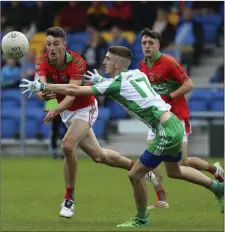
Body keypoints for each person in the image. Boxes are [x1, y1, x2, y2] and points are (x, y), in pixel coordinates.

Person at [20, 46, 224, 227]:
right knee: (175, 171)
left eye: (107, 59)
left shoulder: (114, 85)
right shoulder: (137, 73)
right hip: (173, 123)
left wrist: (43, 86)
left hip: (164, 131)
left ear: (117, 63)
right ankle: (218, 187)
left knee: (135, 175)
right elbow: (125, 86)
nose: (103, 61)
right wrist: (106, 80)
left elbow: (74, 89)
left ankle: (141, 219)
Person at [27, 27, 136, 219]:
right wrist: (44, 97)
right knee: (98, 155)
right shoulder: (42, 61)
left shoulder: (77, 62)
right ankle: (137, 167)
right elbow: (40, 87)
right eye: (49, 44)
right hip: (67, 112)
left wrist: (55, 109)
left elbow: (72, 94)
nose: (52, 48)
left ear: (64, 45)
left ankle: (69, 199)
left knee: (67, 146)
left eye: (56, 44)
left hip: (85, 107)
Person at [139, 28, 224, 210]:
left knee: (182, 164)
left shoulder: (169, 62)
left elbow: (189, 84)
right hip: (157, 119)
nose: (147, 46)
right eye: (144, 43)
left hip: (177, 118)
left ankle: (215, 170)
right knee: (150, 158)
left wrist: (170, 96)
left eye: (151, 43)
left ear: (158, 45)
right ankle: (161, 198)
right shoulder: (143, 66)